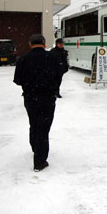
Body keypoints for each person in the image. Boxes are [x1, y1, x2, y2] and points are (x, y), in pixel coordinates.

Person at [13, 34, 64, 172]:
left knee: (34, 123)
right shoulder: (53, 58)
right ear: (44, 43)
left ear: (30, 44)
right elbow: (61, 72)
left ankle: (35, 147)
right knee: (43, 127)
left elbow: (17, 80)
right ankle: (39, 161)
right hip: (48, 97)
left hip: (30, 97)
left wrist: (30, 83)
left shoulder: (23, 59)